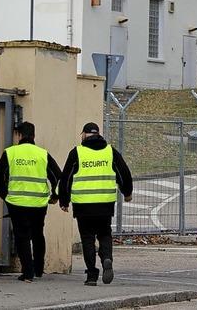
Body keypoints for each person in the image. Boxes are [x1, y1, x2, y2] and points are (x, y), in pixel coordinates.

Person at [59, 122, 133, 286]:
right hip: (105, 205)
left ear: (84, 135)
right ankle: (107, 258)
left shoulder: (77, 153)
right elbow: (123, 173)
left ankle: (92, 275)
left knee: (87, 238)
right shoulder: (110, 152)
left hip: (83, 206)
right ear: (98, 134)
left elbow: (66, 178)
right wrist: (127, 192)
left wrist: (64, 200)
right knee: (105, 234)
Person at [0, 121, 61, 283]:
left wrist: (5, 195)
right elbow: (57, 176)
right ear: (33, 135)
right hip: (38, 204)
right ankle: (38, 269)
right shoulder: (42, 154)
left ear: (18, 135)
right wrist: (55, 196)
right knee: (38, 234)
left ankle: (28, 272)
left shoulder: (10, 153)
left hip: (16, 203)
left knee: (22, 236)